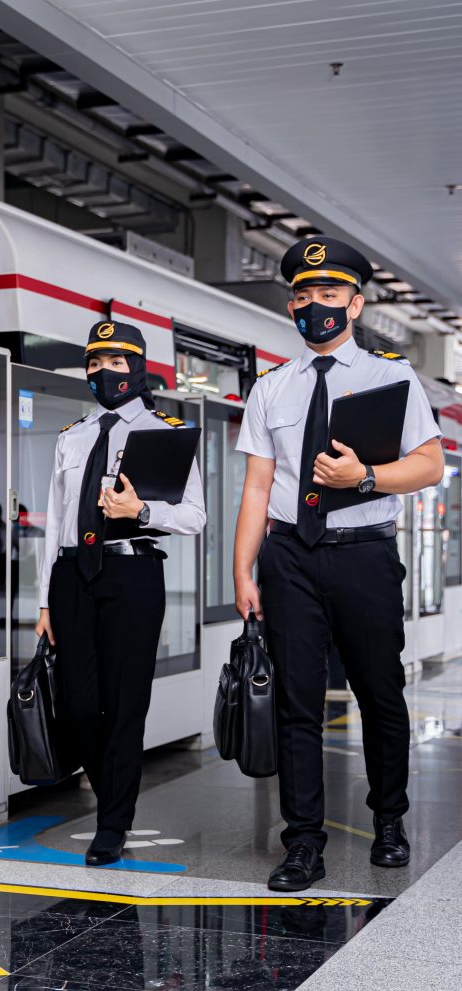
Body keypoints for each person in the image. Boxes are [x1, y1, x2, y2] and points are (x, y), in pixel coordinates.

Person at [233, 236, 443, 892]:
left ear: (356, 303)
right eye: (302, 294)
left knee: (379, 693)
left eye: (328, 294)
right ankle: (302, 844)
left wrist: (366, 476)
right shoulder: (272, 388)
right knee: (297, 703)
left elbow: (430, 465)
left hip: (364, 553)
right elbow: (258, 488)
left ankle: (389, 821)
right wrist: (243, 571)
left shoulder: (390, 377)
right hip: (290, 555)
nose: (313, 305)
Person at [35, 320, 206, 866]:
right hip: (71, 576)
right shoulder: (72, 435)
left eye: (114, 363)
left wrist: (142, 512)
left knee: (126, 704)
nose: (102, 373)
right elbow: (54, 522)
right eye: (93, 363)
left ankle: (113, 824)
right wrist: (43, 600)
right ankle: (112, 796)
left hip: (133, 575)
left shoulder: (167, 434)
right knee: (79, 706)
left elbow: (196, 517)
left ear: (137, 368)